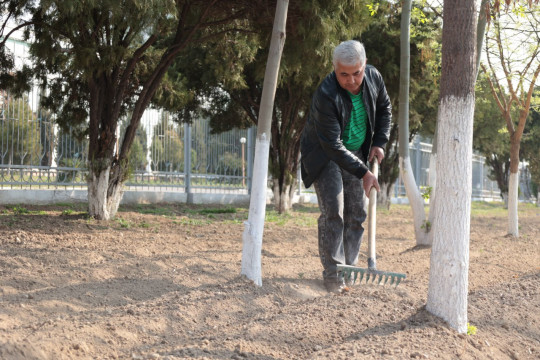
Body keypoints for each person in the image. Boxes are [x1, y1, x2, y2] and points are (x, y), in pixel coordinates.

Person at [300, 40, 392, 293]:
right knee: (334, 211)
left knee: (357, 214)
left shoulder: (374, 78)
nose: (351, 80)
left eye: (357, 73)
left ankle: (348, 271)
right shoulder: (326, 94)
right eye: (344, 74)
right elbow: (331, 145)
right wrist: (364, 171)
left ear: (364, 66)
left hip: (356, 152)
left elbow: (385, 108)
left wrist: (380, 142)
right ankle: (333, 275)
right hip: (325, 155)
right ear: (334, 69)